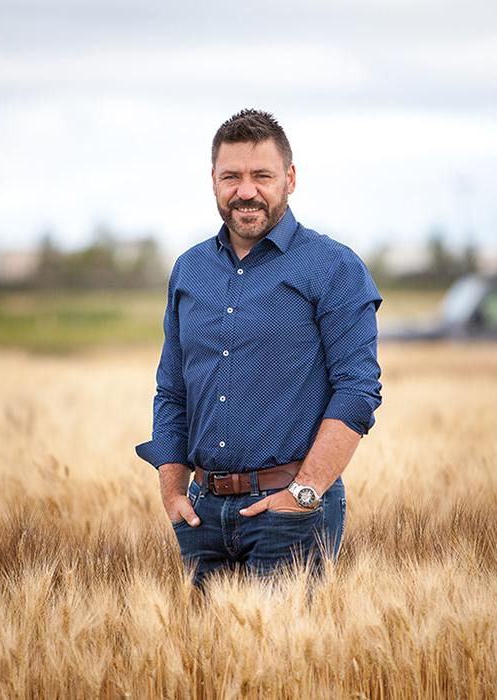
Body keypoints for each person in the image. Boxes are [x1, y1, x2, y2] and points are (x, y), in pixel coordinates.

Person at [135, 108, 382, 587]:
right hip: (201, 519)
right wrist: (172, 492)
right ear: (213, 181)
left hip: (289, 516)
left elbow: (357, 391)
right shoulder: (190, 270)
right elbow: (171, 390)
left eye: (261, 176)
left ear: (289, 178)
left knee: (287, 661)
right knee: (204, 663)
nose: (245, 191)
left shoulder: (333, 267)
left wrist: (304, 495)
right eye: (232, 176)